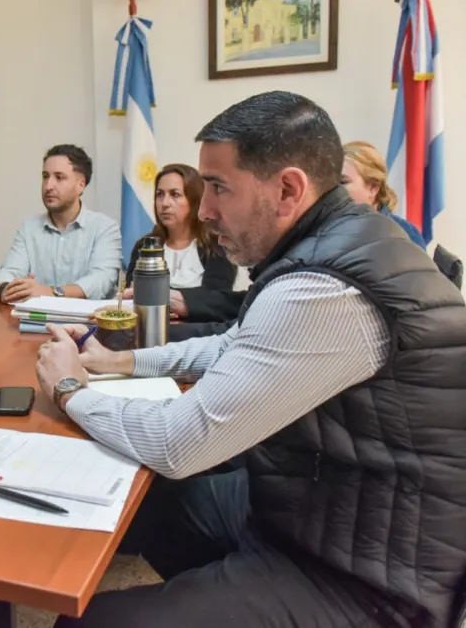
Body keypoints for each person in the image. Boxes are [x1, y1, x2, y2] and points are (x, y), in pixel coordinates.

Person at [36, 91, 466, 627]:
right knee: (151, 504)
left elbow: (177, 443)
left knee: (91, 623)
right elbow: (233, 345)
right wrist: (120, 363)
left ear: (288, 190)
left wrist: (69, 390)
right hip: (318, 506)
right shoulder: (340, 242)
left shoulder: (326, 288)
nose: (204, 209)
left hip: (368, 578)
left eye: (218, 187)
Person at [0, 144, 122, 302]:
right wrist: (5, 289)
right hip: (37, 317)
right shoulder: (29, 228)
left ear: (80, 185)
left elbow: (101, 281)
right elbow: (8, 272)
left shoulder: (105, 228)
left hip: (90, 317)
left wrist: (49, 292)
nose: (48, 186)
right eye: (45, 176)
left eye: (59, 177)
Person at [120, 164, 236, 324]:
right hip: (146, 326)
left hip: (198, 332)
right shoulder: (144, 246)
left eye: (175, 194)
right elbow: (131, 295)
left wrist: (157, 296)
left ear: (195, 200)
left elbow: (215, 302)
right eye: (160, 194)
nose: (165, 203)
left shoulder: (217, 247)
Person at [342, 140, 427, 249]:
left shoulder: (405, 235)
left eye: (343, 182)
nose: (335, 190)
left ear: (373, 187)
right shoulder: (326, 228)